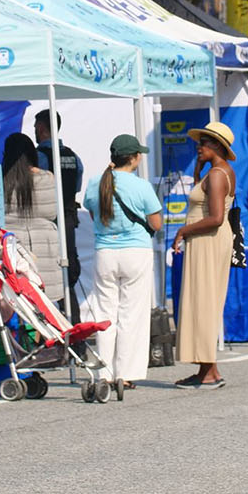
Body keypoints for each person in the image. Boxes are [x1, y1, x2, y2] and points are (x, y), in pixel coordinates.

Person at [84, 134, 163, 390]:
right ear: (133, 158)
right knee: (132, 314)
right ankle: (125, 373)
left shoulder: (96, 182)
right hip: (136, 252)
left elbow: (95, 213)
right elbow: (156, 223)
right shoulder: (140, 186)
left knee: (105, 314)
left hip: (105, 252)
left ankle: (103, 373)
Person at [173, 121, 237, 389]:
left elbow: (216, 218)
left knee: (203, 302)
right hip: (207, 240)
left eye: (205, 142)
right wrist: (199, 171)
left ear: (218, 146)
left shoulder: (217, 175)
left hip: (208, 240)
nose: (199, 147)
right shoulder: (218, 172)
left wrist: (183, 230)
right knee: (203, 301)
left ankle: (208, 371)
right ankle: (208, 369)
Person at [33, 110, 85, 316]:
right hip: (69, 219)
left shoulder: (39, 157)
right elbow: (76, 187)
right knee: (68, 273)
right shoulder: (74, 157)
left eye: (36, 128)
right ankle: (75, 331)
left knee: (46, 274)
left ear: (42, 129)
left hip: (47, 221)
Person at [0, 133, 64, 285]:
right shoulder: (48, 178)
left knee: (16, 295)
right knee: (45, 297)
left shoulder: (0, 180)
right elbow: (53, 212)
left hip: (11, 243)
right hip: (45, 241)